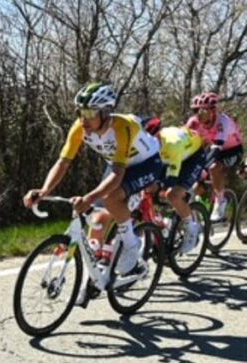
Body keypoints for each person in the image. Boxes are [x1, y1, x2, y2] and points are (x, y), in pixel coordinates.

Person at [23, 82, 163, 282]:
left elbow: (117, 174)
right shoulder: (79, 127)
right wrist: (43, 191)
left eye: (89, 113)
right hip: (117, 164)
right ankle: (99, 271)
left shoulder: (123, 126)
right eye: (80, 112)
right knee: (97, 219)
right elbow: (63, 163)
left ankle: (132, 245)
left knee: (112, 199)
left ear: (106, 112)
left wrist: (88, 198)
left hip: (146, 163)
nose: (83, 119)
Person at [143, 118, 207, 253]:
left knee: (173, 195)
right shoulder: (147, 145)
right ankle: (162, 222)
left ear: (157, 136)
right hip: (169, 157)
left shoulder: (172, 143)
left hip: (192, 158)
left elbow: (171, 178)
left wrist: (160, 186)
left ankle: (191, 228)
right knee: (146, 190)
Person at [185, 92, 243, 222]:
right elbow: (184, 142)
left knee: (214, 167)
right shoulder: (193, 122)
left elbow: (217, 148)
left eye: (202, 110)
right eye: (195, 110)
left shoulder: (223, 121)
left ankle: (221, 201)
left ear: (212, 111)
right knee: (195, 180)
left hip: (232, 150)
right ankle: (202, 210)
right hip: (213, 148)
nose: (198, 114)